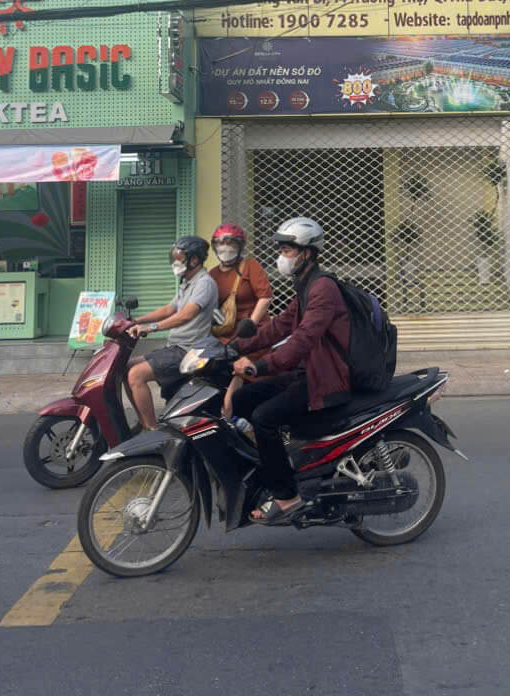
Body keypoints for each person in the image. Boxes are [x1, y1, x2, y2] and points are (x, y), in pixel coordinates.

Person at [230, 216, 350, 525]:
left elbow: (303, 339)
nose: (281, 257)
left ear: (307, 253)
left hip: (323, 379)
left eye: (286, 251)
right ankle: (276, 462)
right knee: (241, 400)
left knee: (263, 418)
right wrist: (237, 346)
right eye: (281, 251)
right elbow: (280, 325)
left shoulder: (323, 288)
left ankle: (287, 496)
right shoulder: (306, 286)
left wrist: (261, 365)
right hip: (307, 372)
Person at [126, 236, 218, 430]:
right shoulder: (187, 282)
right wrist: (136, 321)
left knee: (136, 375)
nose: (175, 262)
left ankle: (152, 429)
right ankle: (143, 422)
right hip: (175, 347)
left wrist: (151, 328)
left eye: (179, 258)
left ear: (194, 260)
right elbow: (168, 309)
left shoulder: (204, 283)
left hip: (189, 350)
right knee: (125, 367)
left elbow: (186, 315)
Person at [207, 223, 273, 420]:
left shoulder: (250, 266)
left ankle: (230, 418)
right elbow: (212, 308)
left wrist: (251, 323)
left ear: (240, 246)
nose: (225, 248)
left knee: (237, 378)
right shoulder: (212, 275)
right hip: (227, 337)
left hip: (253, 334)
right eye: (221, 244)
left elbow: (265, 297)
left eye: (231, 244)